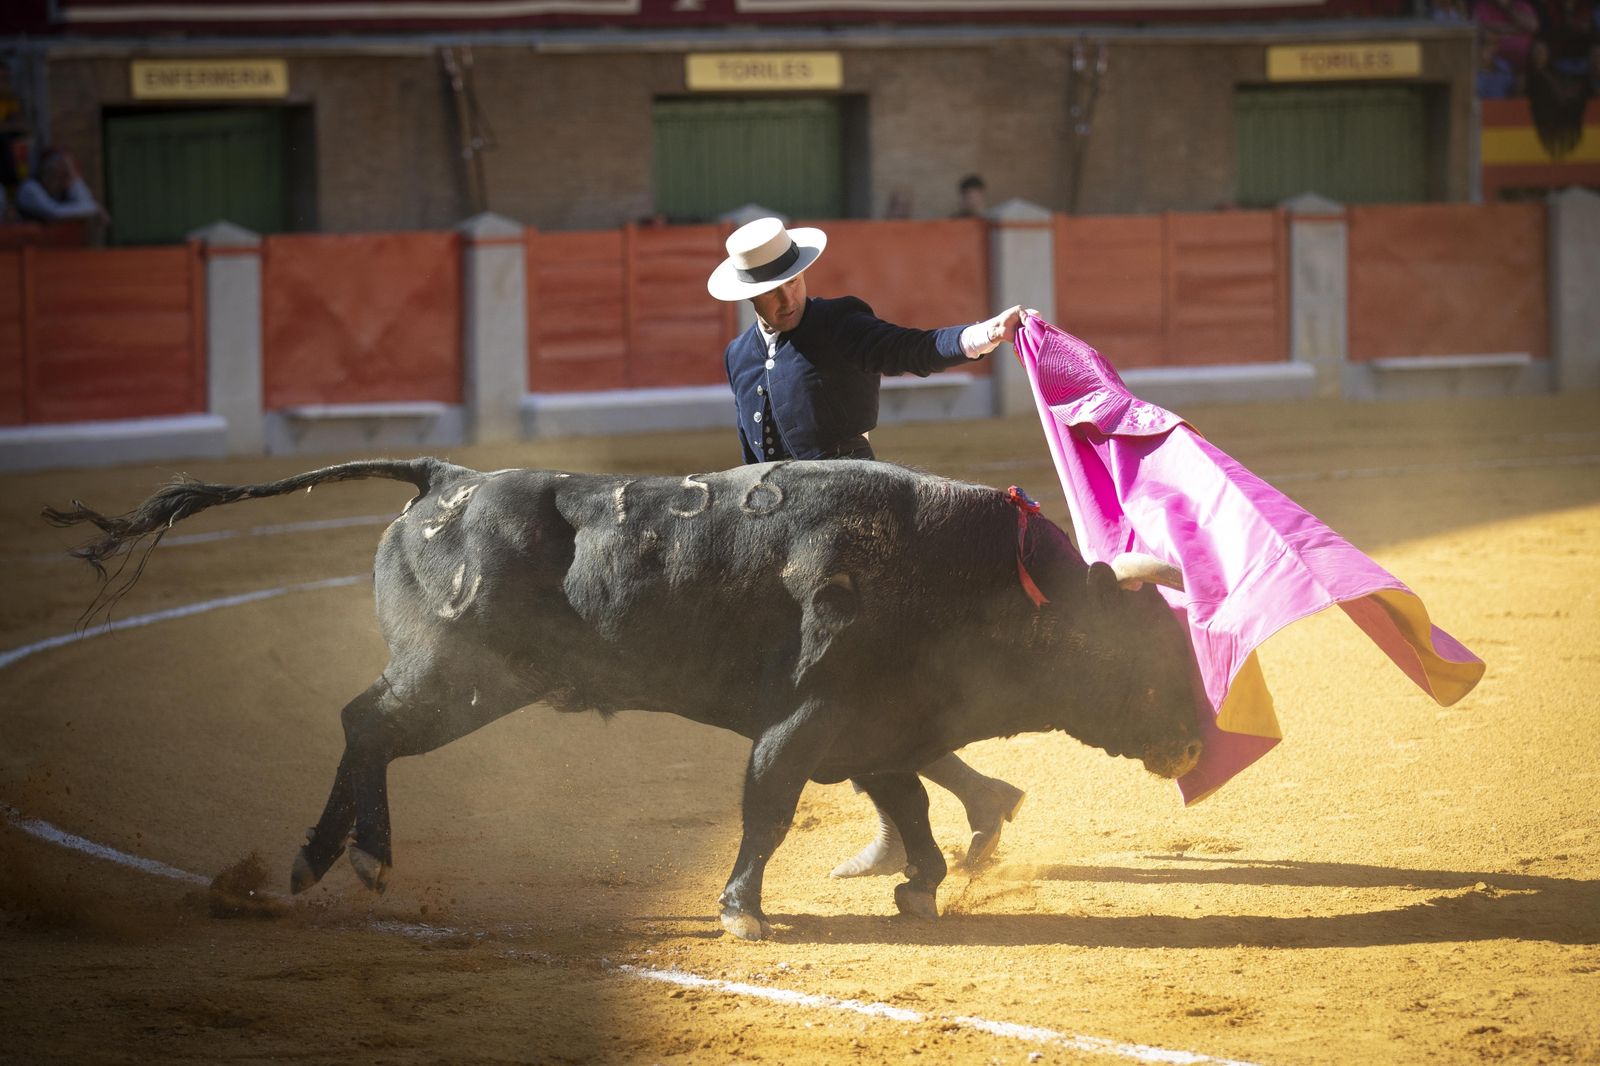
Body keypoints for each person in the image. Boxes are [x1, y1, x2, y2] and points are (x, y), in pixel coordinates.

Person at [706, 216, 1029, 877]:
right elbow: (751, 459)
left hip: (864, 524)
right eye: (773, 289)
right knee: (843, 689)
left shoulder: (839, 322)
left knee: (840, 686)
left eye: (794, 279)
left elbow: (908, 348)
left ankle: (928, 822)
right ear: (750, 296)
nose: (790, 295)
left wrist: (978, 337)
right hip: (792, 536)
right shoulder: (740, 357)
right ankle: (964, 801)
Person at [15, 147, 110, 225]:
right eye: (64, 173)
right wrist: (94, 208)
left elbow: (85, 201)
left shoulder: (62, 187)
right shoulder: (29, 188)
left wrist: (74, 176)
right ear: (51, 171)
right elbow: (54, 213)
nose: (67, 179)